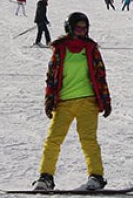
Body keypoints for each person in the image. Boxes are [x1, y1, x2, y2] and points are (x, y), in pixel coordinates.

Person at [33, 11, 112, 192]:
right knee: (53, 139)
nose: (82, 31)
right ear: (70, 28)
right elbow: (51, 76)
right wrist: (49, 99)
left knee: (88, 140)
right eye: (78, 27)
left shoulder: (91, 49)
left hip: (88, 102)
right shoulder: (60, 49)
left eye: (85, 28)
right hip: (64, 103)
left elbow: (100, 75)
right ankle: (46, 177)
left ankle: (96, 176)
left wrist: (106, 100)